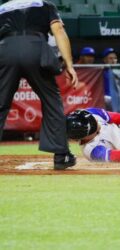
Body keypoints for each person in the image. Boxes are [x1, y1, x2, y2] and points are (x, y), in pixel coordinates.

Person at [0, 0, 78, 170]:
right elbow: (58, 30)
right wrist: (69, 65)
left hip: (5, 50)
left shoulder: (2, 8)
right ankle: (61, 156)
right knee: (51, 101)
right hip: (35, 47)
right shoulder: (45, 5)